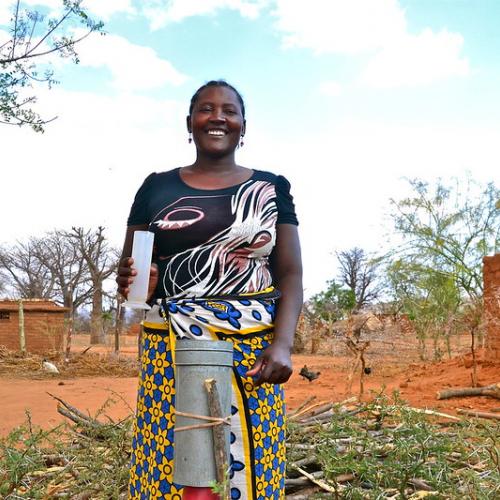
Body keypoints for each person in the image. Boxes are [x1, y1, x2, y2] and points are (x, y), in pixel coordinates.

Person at [117, 80, 303, 500]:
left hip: (252, 347)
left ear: (242, 125)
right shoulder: (155, 187)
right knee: (170, 456)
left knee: (248, 457)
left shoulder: (271, 188)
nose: (217, 117)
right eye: (206, 109)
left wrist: (283, 345)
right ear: (190, 123)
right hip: (170, 345)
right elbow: (130, 274)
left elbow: (290, 274)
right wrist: (137, 284)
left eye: (229, 110)